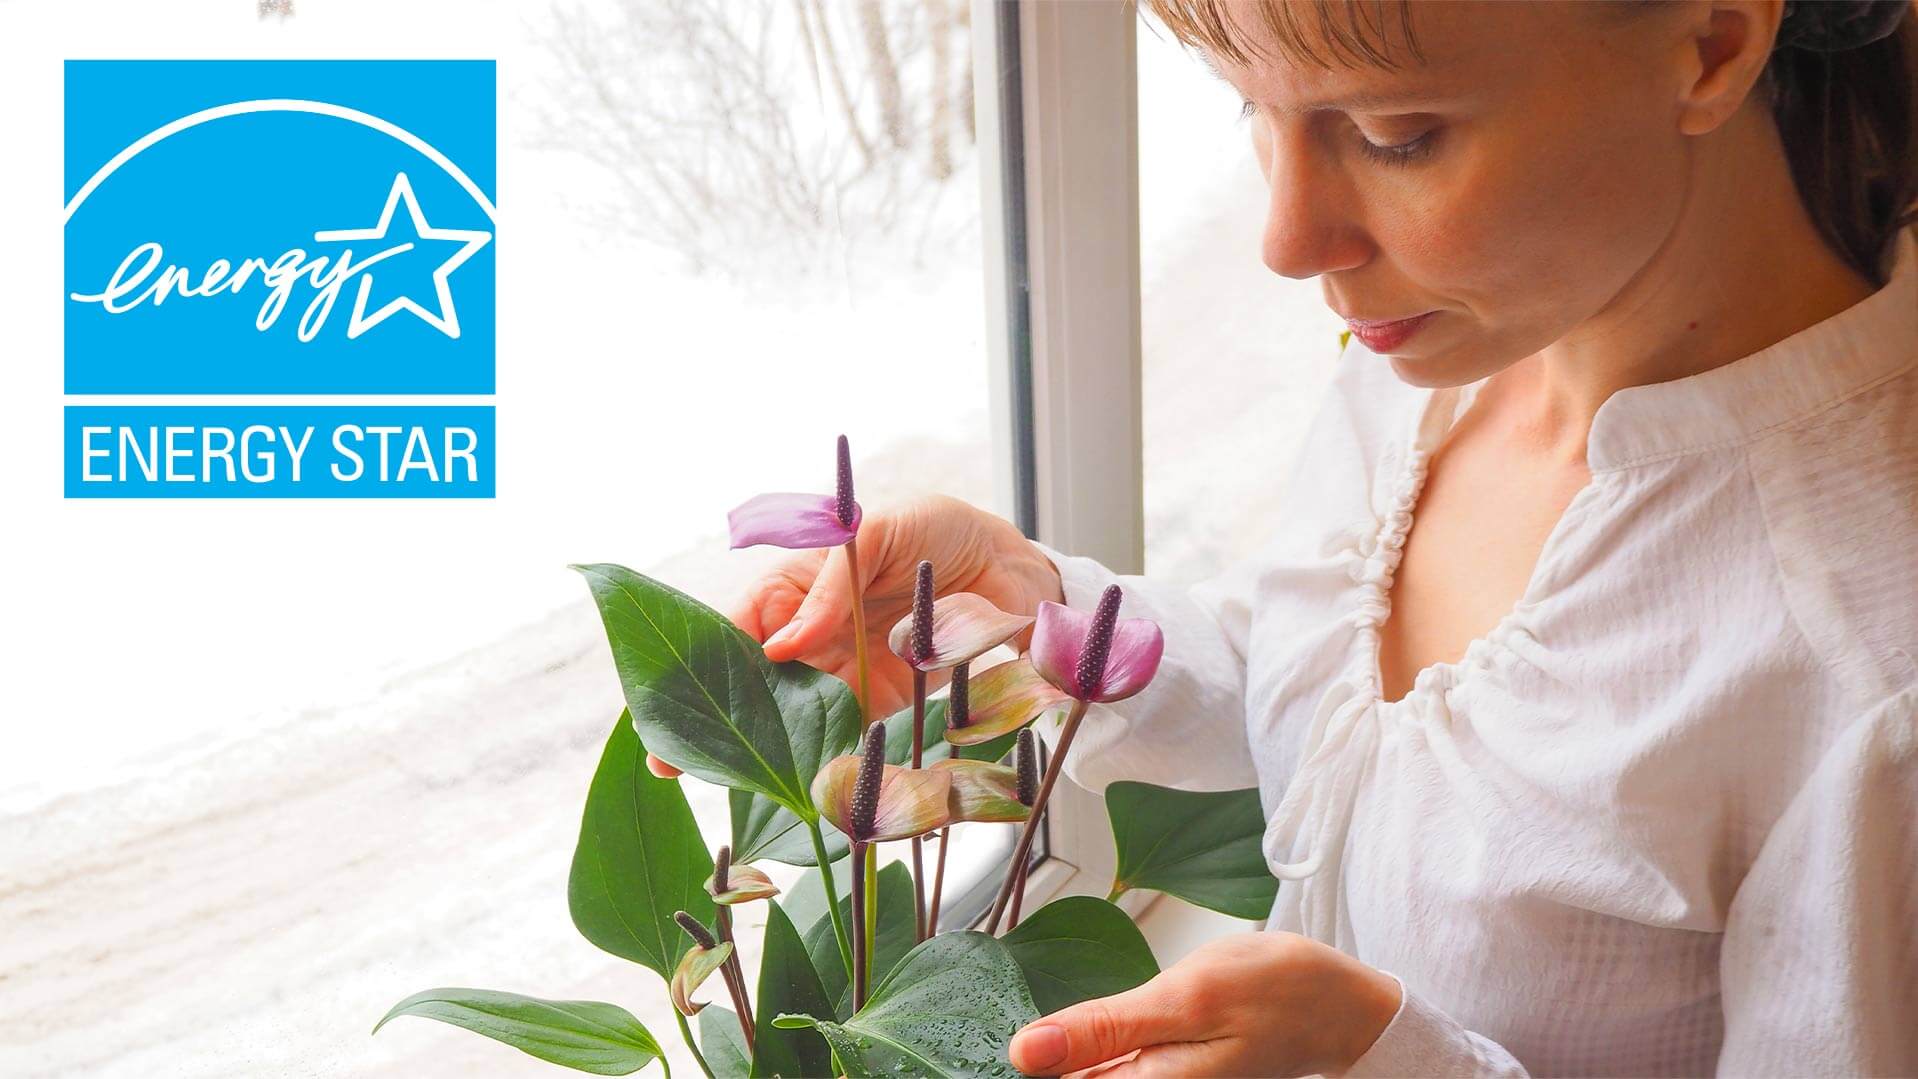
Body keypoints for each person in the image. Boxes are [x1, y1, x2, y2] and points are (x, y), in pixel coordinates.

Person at [667, 1, 1918, 1074]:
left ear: (1709, 42)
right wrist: (1042, 612)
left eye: (1395, 136)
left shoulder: (1866, 666)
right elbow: (1381, 741)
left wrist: (1380, 1052)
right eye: (1246, 109)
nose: (1283, 239)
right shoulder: (1443, 359)